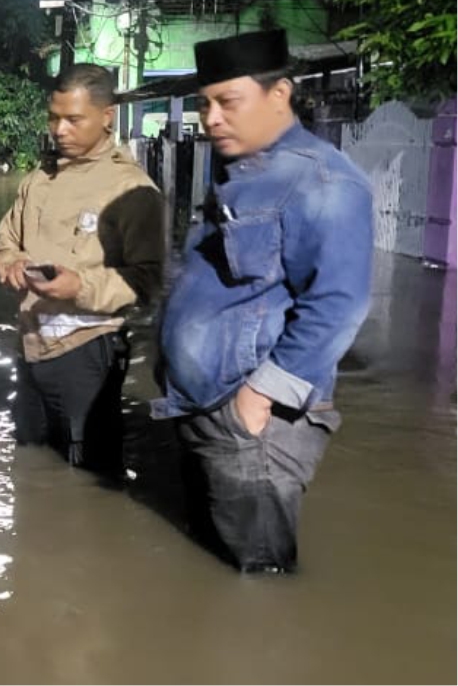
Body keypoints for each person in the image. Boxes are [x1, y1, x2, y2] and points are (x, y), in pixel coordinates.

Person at [155, 30, 373, 573]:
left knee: (258, 589)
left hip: (251, 425)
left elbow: (339, 304)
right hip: (207, 409)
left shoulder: (321, 181)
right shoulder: (245, 173)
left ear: (280, 95)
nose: (210, 118)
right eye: (206, 103)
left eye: (228, 102)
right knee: (211, 571)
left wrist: (257, 400)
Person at [0, 64, 165, 475]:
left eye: (73, 119)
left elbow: (148, 280)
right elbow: (5, 238)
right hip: (32, 345)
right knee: (31, 463)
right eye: (54, 117)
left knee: (88, 472)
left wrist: (79, 286)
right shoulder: (39, 179)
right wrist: (8, 260)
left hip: (88, 350)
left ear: (107, 117)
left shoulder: (131, 190)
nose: (59, 130)